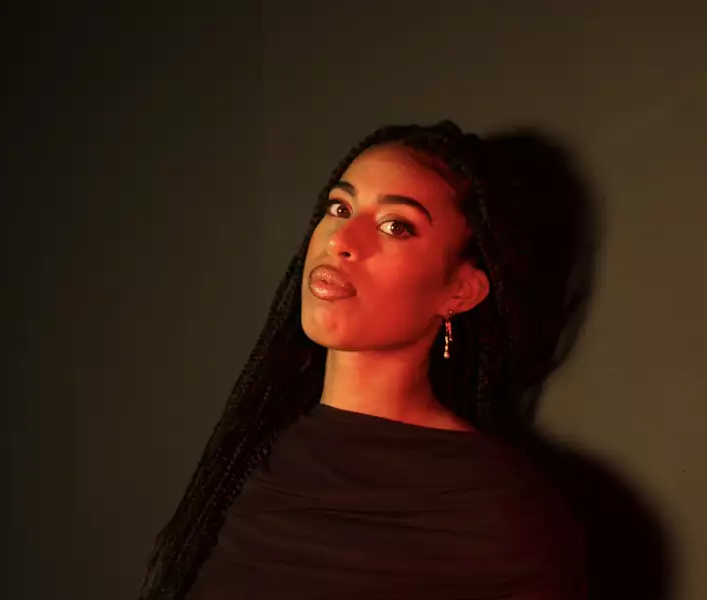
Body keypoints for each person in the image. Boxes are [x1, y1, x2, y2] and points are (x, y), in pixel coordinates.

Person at [139, 120, 593, 599]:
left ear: (461, 290)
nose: (341, 239)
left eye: (395, 226)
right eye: (340, 207)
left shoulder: (497, 511)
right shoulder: (255, 454)